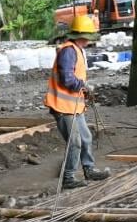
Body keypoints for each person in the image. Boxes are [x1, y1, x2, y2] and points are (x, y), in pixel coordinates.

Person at [44, 15, 110, 190]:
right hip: (62, 106)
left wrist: (84, 91)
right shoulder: (68, 51)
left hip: (74, 105)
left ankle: (89, 169)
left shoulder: (77, 50)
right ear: (84, 35)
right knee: (75, 142)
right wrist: (84, 85)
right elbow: (67, 79)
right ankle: (68, 178)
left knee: (86, 138)